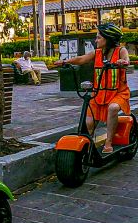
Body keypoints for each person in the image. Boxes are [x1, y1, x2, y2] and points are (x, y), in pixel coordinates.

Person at [53, 23, 130, 154]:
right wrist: (66, 62)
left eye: (99, 38)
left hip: (118, 93)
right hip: (98, 93)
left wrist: (123, 62)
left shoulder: (121, 51)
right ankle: (88, 147)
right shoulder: (97, 53)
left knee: (112, 108)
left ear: (108, 38)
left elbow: (126, 60)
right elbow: (82, 59)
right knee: (89, 123)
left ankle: (109, 142)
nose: (96, 40)